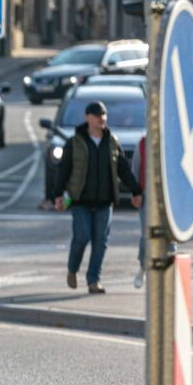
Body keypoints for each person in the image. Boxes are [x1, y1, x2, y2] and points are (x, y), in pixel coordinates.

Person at [52, 101, 142, 294]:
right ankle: (72, 269)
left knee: (100, 241)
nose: (101, 118)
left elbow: (123, 169)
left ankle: (94, 280)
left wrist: (136, 191)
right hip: (80, 201)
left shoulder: (111, 142)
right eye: (96, 115)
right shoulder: (75, 143)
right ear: (87, 118)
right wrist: (57, 195)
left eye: (103, 115)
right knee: (82, 237)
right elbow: (63, 170)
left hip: (104, 201)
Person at [132, 136, 176, 288]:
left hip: (168, 196)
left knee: (170, 233)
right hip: (147, 194)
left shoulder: (173, 141)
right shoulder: (143, 143)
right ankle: (143, 269)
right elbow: (135, 169)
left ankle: (169, 273)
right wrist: (135, 192)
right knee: (147, 233)